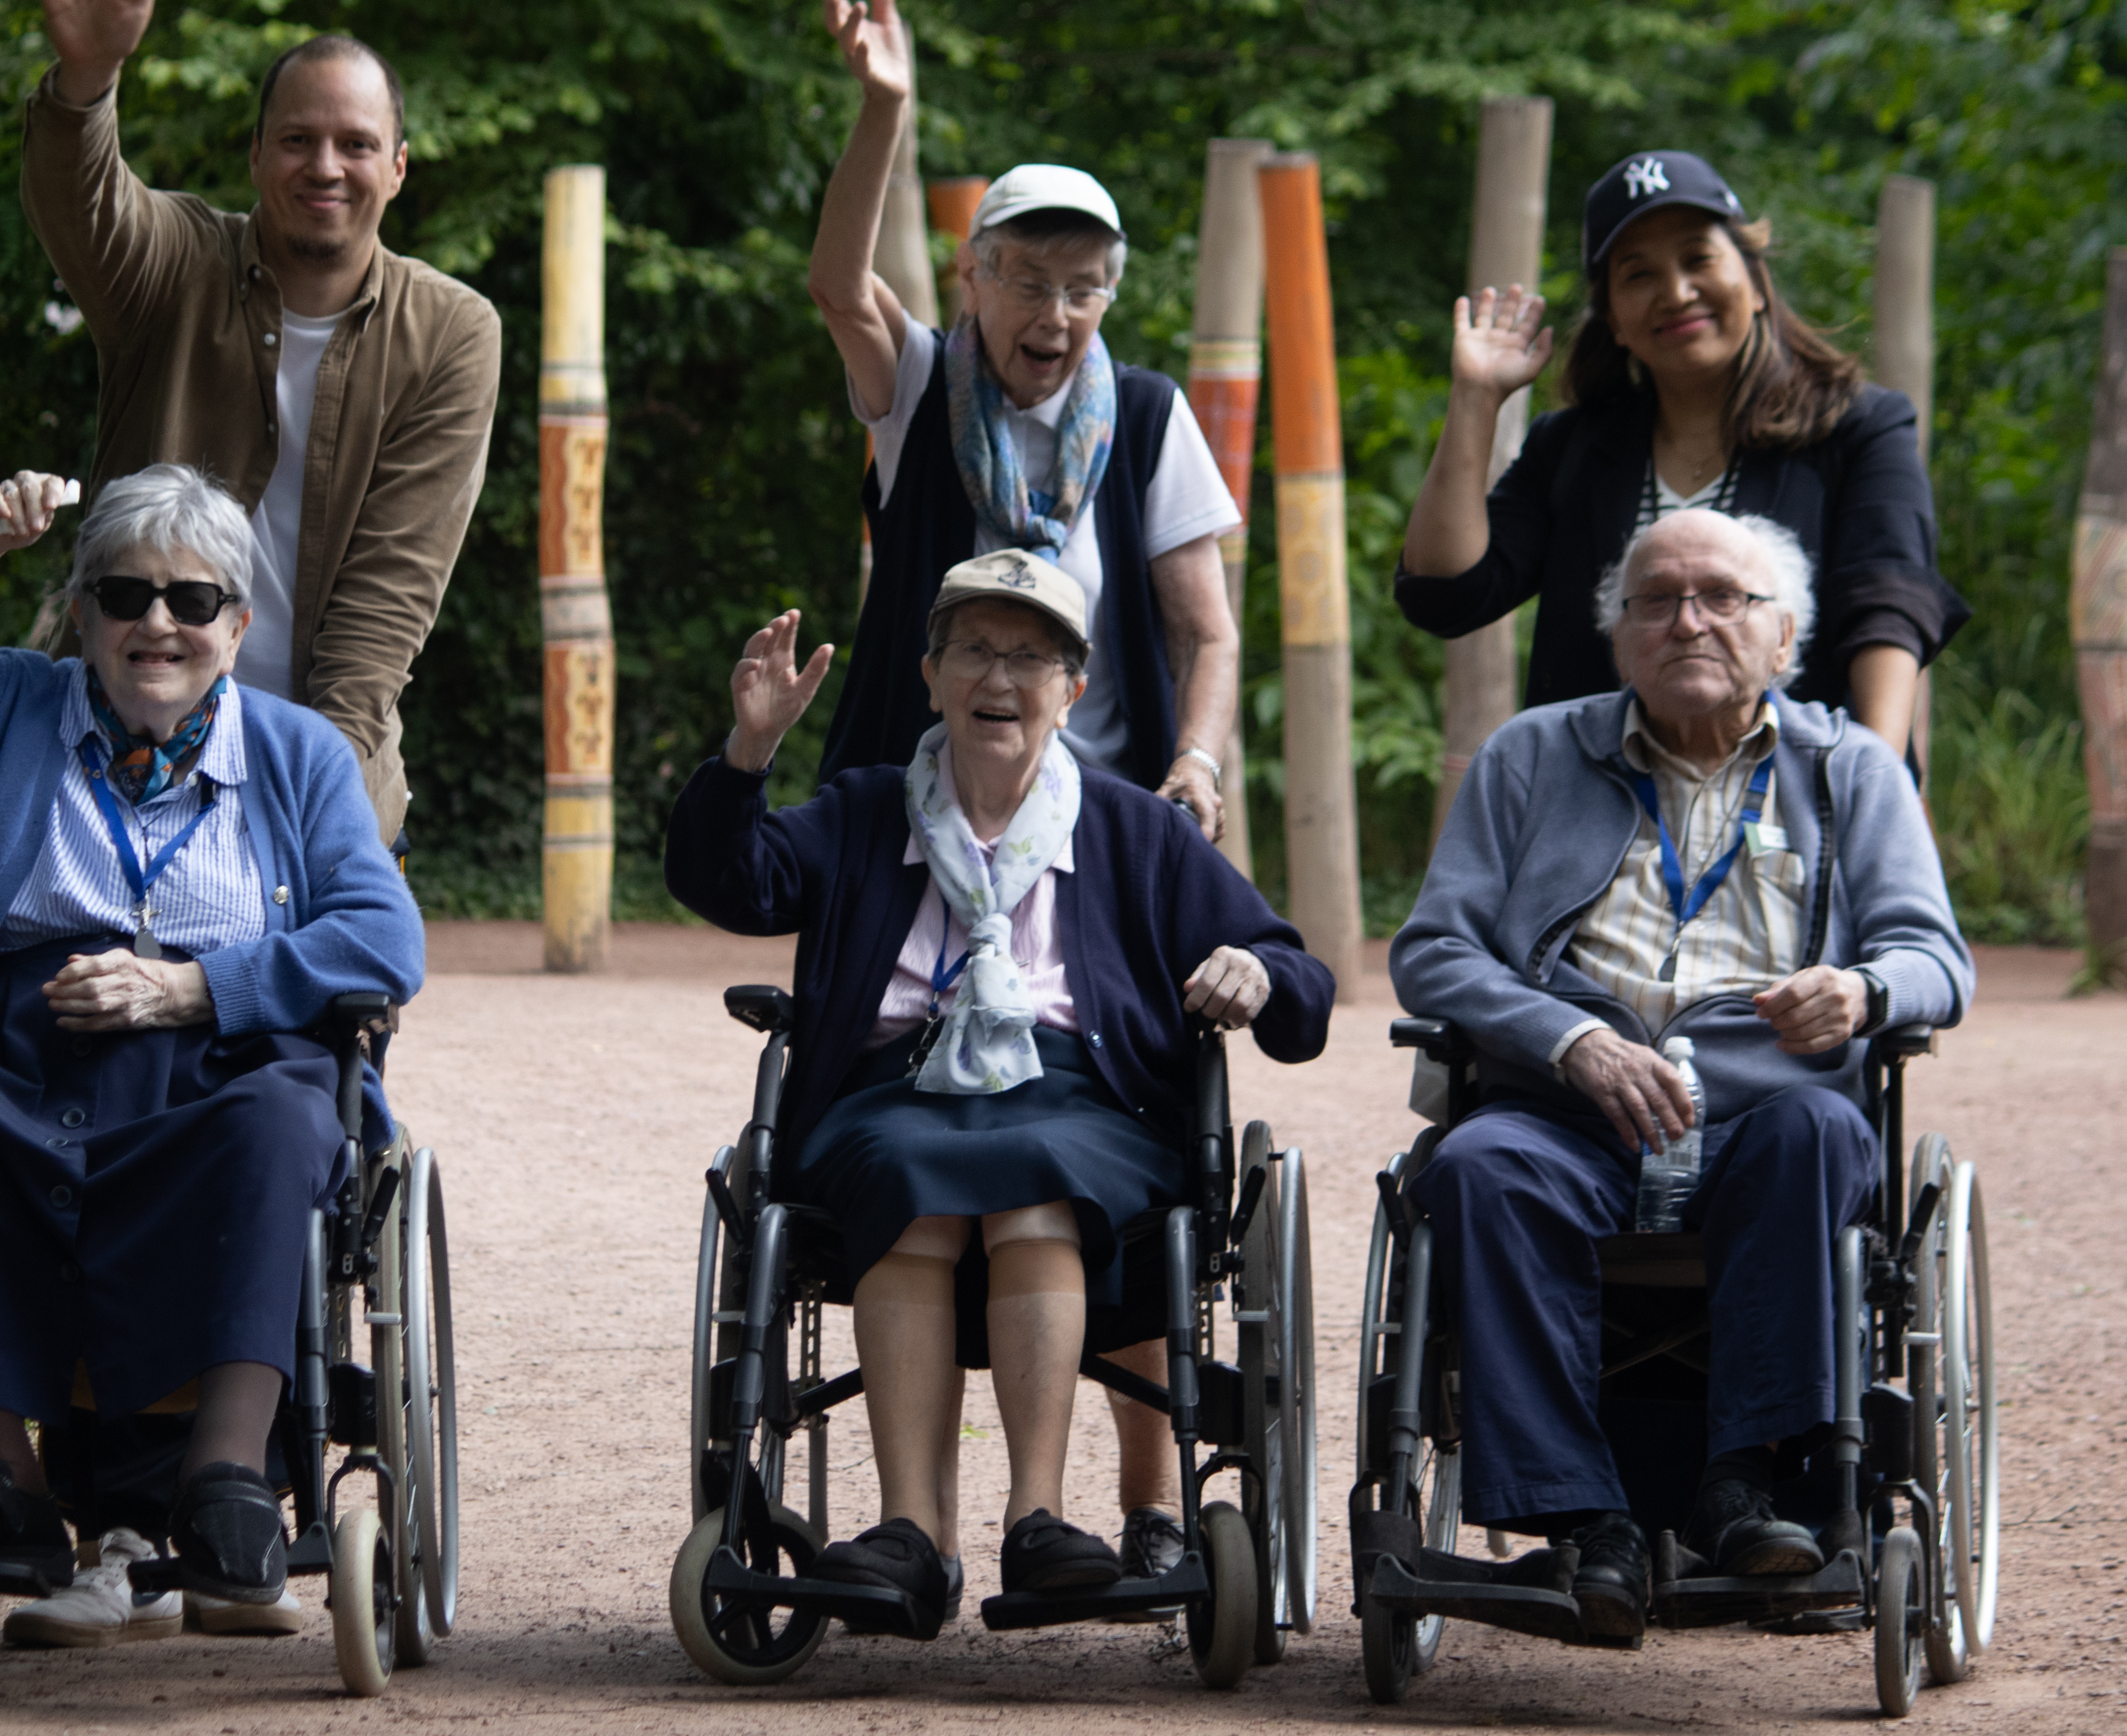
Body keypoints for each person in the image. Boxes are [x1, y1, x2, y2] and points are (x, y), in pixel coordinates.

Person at [664, 550, 1331, 1634]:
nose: (1000, 676)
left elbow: (1294, 973)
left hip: (1084, 1102)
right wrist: (750, 751)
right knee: (906, 1173)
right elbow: (722, 880)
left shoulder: (1134, 831)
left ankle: (1039, 1520)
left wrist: (1258, 973)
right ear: (930, 676)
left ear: (1073, 690)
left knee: (1038, 1179)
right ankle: (912, 1533)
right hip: (895, 1093)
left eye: (1030, 655)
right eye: (973, 648)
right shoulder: (866, 810)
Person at [808, 0, 1244, 1588]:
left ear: (1108, 293)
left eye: (1081, 281)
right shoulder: (923, 387)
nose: (1051, 310)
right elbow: (839, 280)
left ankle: (1128, 1500)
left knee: (1116, 1101)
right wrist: (882, 109)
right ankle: (930, 1516)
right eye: (1024, 276)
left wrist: (1195, 761)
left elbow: (1204, 623)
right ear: (976, 278)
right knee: (940, 1100)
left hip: (1108, 816)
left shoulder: (1143, 418)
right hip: (923, 801)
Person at [0, 466, 424, 1642]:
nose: (159, 621)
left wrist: (198, 987)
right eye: (126, 593)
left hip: (223, 1051)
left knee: (282, 1124)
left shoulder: (298, 755)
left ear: (238, 627)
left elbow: (382, 938)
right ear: (84, 613)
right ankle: (7, 1479)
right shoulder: (5, 709)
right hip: (21, 1044)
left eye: (194, 601)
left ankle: (226, 1479)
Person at [1388, 506, 1973, 1639]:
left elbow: (1933, 956)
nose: (1687, 621)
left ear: (1783, 633)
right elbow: (1434, 950)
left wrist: (1861, 992)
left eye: (1722, 598)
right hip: (1571, 1110)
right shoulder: (1531, 756)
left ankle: (1743, 1484)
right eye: (1655, 601)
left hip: (1768, 1112)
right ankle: (1586, 1518)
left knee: (1822, 1136)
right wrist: (1569, 1038)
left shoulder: (1851, 769)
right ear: (1617, 636)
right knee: (1478, 1164)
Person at [10, 0, 501, 845]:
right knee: (76, 995)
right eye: (297, 140)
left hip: (316, 773)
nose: (327, 165)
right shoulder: (176, 265)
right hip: (108, 764)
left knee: (311, 991)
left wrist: (309, 812)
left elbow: (385, 610)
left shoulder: (449, 332)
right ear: (256, 156)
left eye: (356, 144)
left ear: (397, 169)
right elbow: (85, 209)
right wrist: (88, 81)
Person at [1395, 148, 1969, 759]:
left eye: (1699, 258)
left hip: (1800, 811)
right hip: (1594, 826)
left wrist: (1869, 789)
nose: (1676, 291)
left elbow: (1886, 607)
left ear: (1754, 282)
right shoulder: (1573, 450)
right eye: (1638, 274)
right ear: (1613, 318)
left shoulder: (1857, 428)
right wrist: (1476, 399)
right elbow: (1445, 595)